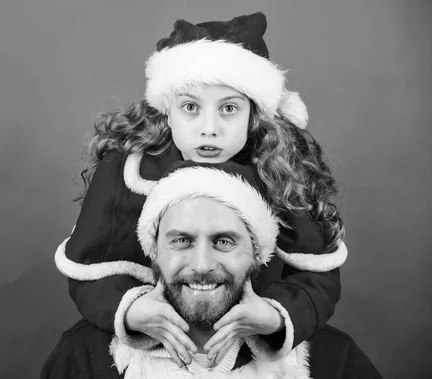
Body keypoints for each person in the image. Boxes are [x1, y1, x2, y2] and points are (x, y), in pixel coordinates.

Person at [54, 12, 348, 366]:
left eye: (229, 109)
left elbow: (318, 279)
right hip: (152, 349)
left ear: (254, 115)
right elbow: (88, 270)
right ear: (167, 111)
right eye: (191, 107)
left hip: (249, 353)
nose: (209, 129)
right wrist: (129, 310)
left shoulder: (282, 172)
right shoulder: (125, 171)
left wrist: (274, 316)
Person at [42, 162, 381, 378]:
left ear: (257, 254)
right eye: (181, 241)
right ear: (153, 251)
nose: (202, 266)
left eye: (223, 242)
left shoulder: (331, 360)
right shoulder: (83, 358)